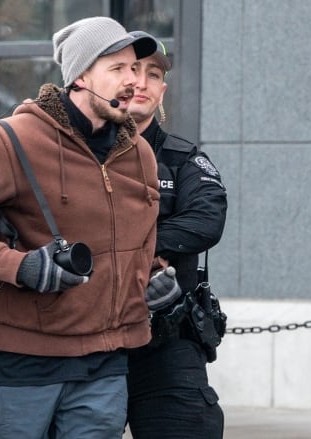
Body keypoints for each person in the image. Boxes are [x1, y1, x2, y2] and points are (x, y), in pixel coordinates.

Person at [0, 17, 181, 438]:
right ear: (80, 75)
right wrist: (18, 267)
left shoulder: (139, 155)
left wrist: (151, 278)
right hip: (26, 361)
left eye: (134, 68)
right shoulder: (7, 142)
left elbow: (136, 243)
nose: (133, 81)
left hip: (107, 359)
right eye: (117, 69)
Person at [125, 30, 228, 439]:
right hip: (84, 346)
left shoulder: (184, 159)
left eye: (153, 74)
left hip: (166, 341)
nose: (142, 82)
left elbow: (206, 220)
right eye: (132, 70)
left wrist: (145, 247)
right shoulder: (70, 157)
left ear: (162, 91)